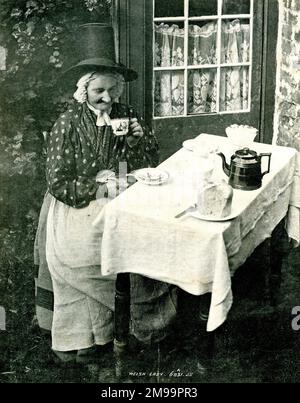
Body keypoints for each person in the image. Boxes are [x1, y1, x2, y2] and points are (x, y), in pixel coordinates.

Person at [34, 24, 177, 364]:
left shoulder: (125, 115)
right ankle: (82, 337)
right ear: (84, 90)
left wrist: (138, 141)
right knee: (82, 254)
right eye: (100, 91)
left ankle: (116, 330)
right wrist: (99, 188)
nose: (108, 99)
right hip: (77, 205)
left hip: (122, 199)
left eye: (113, 91)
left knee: (139, 246)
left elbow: (146, 163)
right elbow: (57, 181)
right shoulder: (68, 123)